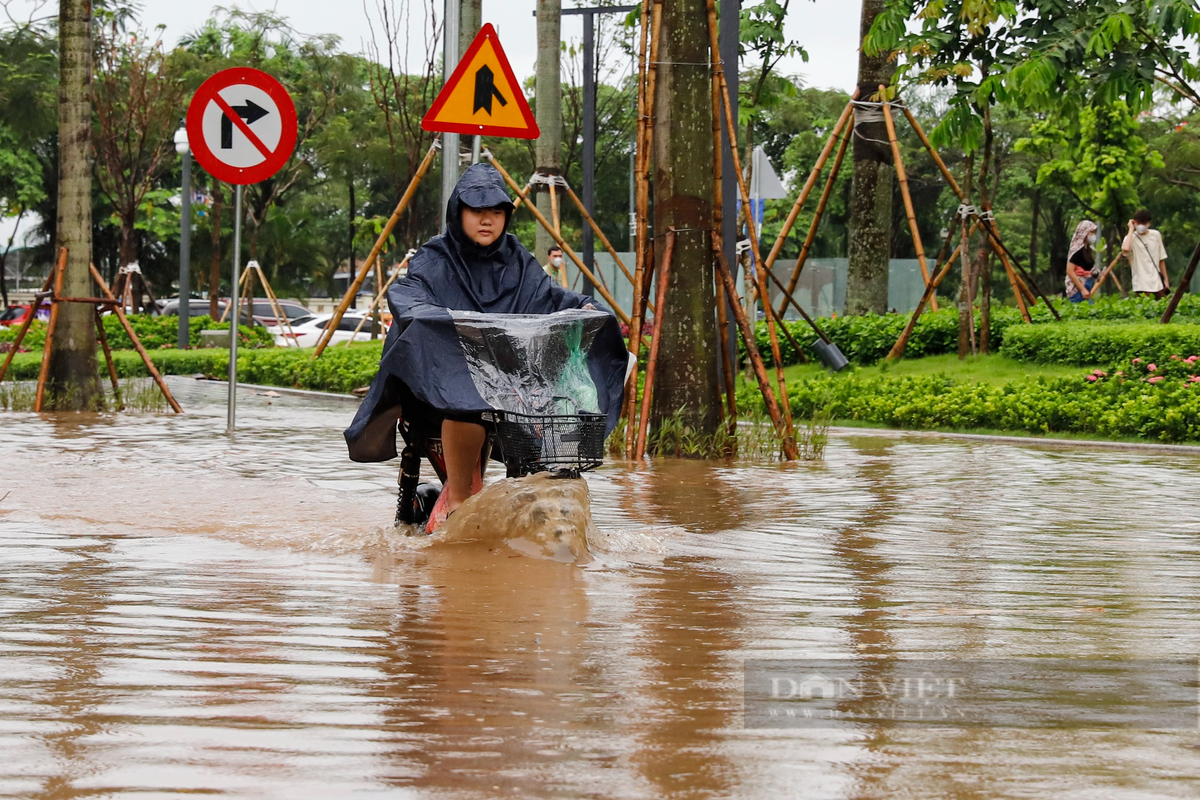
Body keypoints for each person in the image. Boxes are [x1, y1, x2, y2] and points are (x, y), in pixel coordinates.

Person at [342, 164, 627, 532]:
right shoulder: (434, 259)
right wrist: (437, 321)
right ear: (458, 213)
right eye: (477, 211)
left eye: (496, 212)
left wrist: (583, 306)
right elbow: (410, 296)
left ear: (506, 216)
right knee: (466, 400)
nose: (487, 220)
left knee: (554, 408)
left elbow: (549, 297)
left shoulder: (518, 260)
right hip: (439, 390)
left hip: (509, 388)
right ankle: (459, 499)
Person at [1122, 209, 1170, 299]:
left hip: (1157, 282)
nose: (1141, 226)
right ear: (1134, 222)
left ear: (1149, 223)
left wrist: (1166, 280)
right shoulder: (1131, 238)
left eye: (1144, 223)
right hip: (1140, 283)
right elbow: (1125, 249)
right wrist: (1131, 229)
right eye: (1138, 223)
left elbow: (1161, 259)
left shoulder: (1155, 235)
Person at [1064, 220, 1100, 303]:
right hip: (1077, 290)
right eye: (1091, 232)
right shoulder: (1077, 249)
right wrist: (1082, 289)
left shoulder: (1087, 249)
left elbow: (1088, 268)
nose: (1093, 235)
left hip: (1086, 287)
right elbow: (1070, 271)